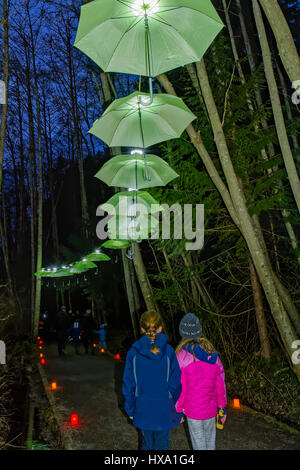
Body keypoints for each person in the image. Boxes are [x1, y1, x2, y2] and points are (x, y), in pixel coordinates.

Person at [122, 310, 182, 451]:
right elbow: (176, 384)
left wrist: (130, 409)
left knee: (147, 445)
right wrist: (176, 408)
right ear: (160, 328)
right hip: (165, 408)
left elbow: (128, 385)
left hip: (143, 409)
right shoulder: (168, 352)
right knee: (162, 446)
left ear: (142, 329)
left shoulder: (133, 354)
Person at [175, 313, 227, 450]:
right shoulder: (212, 354)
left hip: (193, 411)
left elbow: (181, 388)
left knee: (199, 444)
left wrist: (178, 410)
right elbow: (220, 384)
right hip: (210, 410)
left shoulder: (181, 356)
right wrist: (222, 408)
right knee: (210, 443)